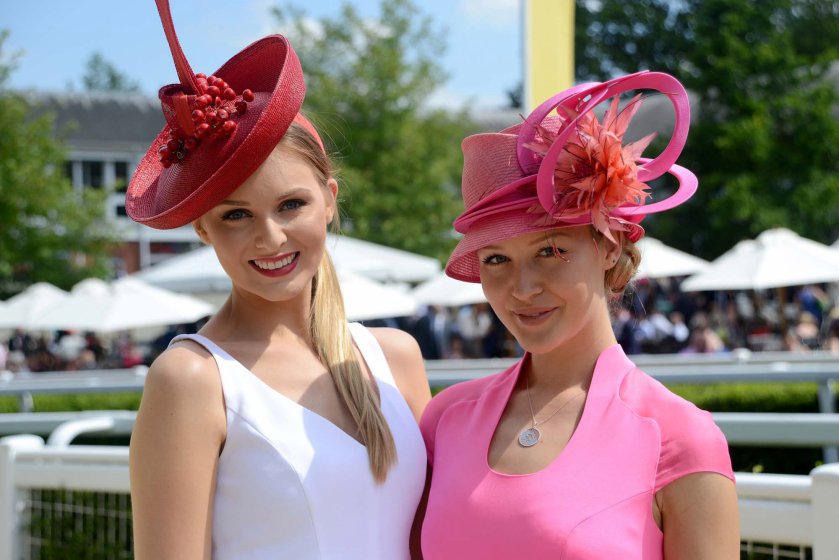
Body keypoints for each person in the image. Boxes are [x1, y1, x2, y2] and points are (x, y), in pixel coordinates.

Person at [128, 2, 430, 558]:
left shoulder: (396, 359)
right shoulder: (192, 382)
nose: (269, 239)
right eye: (235, 216)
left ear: (330, 202)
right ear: (203, 229)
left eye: (291, 204)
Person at [418, 71, 739, 558]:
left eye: (550, 251)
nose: (522, 288)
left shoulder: (679, 436)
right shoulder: (444, 420)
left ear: (608, 247)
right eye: (496, 259)